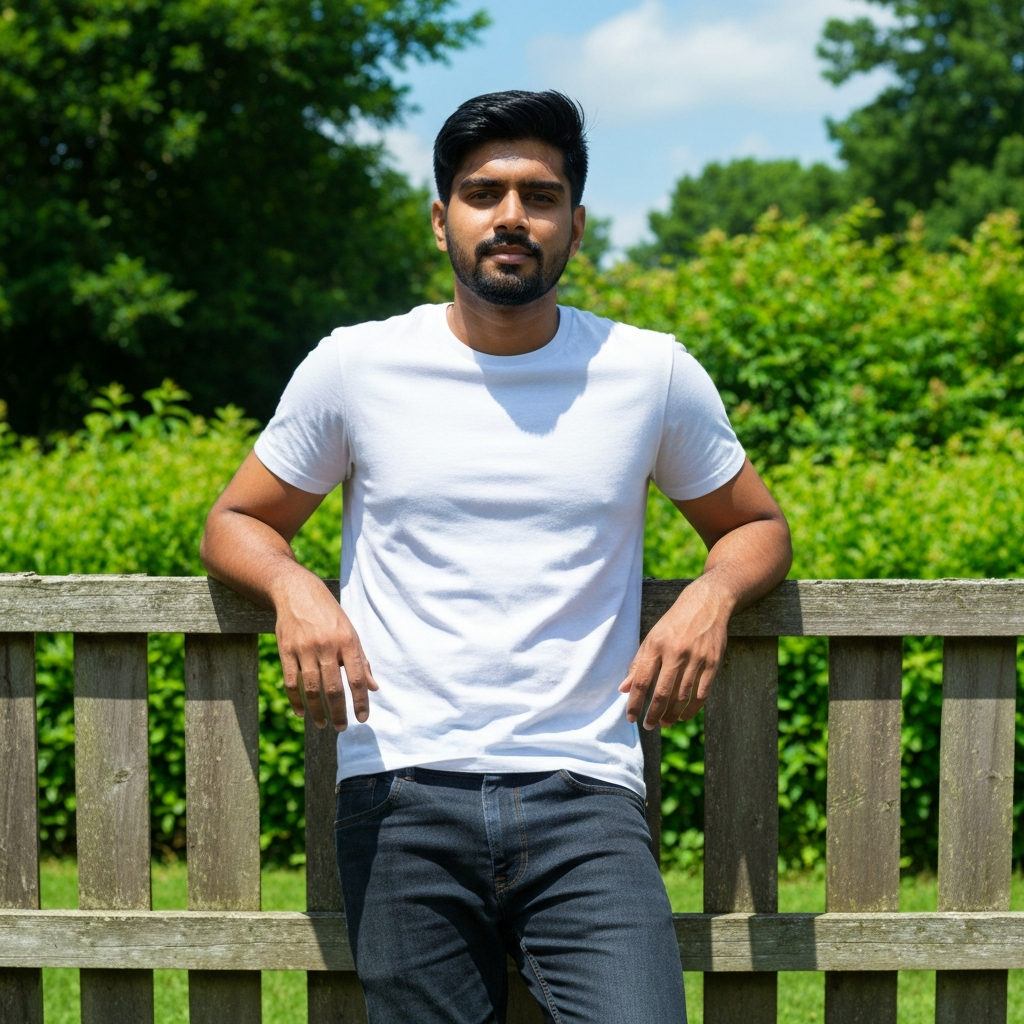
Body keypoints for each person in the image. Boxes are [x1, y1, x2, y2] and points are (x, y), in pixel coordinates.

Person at [201, 90, 792, 1024]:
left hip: (586, 793)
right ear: (442, 222)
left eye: (540, 195)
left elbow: (757, 525)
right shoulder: (356, 365)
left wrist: (711, 594)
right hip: (401, 790)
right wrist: (293, 585)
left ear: (576, 225)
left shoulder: (649, 373)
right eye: (483, 193)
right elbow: (237, 518)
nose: (511, 216)